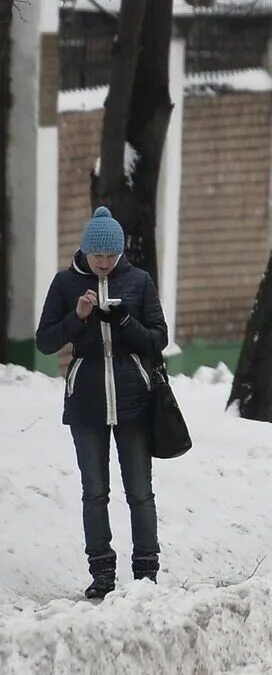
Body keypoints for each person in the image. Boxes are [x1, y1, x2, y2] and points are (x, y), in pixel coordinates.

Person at [35, 207, 170, 599]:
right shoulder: (64, 284)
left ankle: (146, 573)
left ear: (120, 253)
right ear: (86, 251)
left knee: (140, 491)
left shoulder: (139, 281)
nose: (105, 264)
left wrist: (126, 321)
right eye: (98, 257)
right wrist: (78, 317)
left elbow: (158, 338)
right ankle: (102, 572)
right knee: (94, 492)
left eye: (112, 257)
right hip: (87, 404)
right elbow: (45, 342)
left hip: (133, 402)